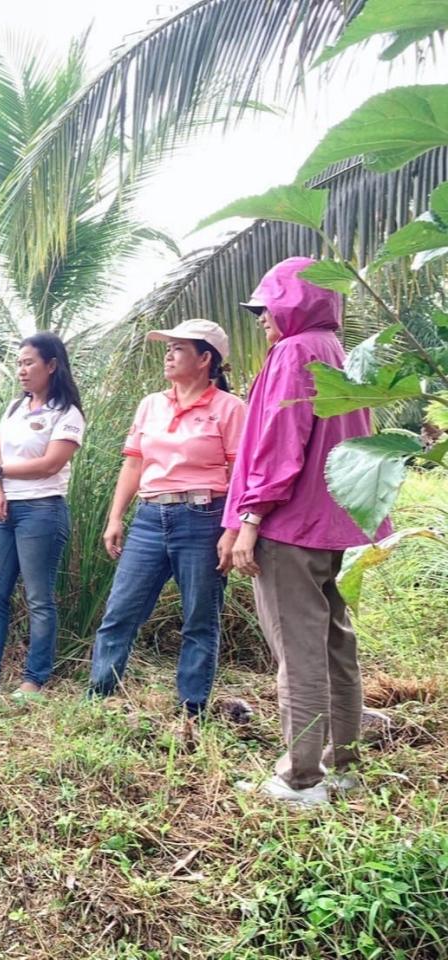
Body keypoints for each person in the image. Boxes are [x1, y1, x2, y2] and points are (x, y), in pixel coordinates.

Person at [225, 257, 390, 807]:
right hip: (339, 524)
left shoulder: (293, 352)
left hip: (291, 525)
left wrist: (250, 519)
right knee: (335, 644)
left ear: (291, 303)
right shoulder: (339, 354)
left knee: (298, 651)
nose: (262, 321)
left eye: (268, 307)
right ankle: (342, 765)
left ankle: (301, 779)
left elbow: (279, 441)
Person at [87, 319, 247, 715]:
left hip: (203, 517)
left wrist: (232, 531)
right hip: (149, 516)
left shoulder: (230, 409)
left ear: (205, 358)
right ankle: (100, 697)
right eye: (168, 347)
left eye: (178, 348)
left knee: (198, 618)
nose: (168, 355)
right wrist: (115, 518)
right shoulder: (151, 404)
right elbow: (133, 464)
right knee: (120, 612)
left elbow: (239, 475)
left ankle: (191, 709)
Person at [0, 333, 84, 696]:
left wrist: (1, 473)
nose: (21, 370)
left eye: (29, 362)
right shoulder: (14, 408)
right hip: (6, 511)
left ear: (51, 365)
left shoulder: (66, 413)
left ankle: (34, 679)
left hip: (42, 510)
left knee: (38, 597)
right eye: (19, 363)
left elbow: (50, 464)